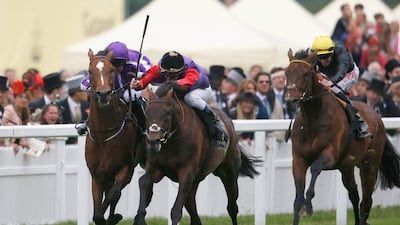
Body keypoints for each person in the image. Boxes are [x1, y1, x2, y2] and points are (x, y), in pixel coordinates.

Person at [131, 50, 227, 147]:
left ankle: (213, 121)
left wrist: (170, 84)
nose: (168, 78)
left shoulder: (191, 70)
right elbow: (151, 75)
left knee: (190, 98)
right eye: (166, 75)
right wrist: (140, 84)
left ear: (182, 70)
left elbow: (187, 81)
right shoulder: (161, 66)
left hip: (201, 89)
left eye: (173, 76)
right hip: (180, 88)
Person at [76, 41, 152, 135]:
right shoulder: (104, 64)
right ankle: (89, 122)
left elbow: (150, 73)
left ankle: (143, 126)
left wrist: (142, 79)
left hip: (132, 84)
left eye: (121, 63)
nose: (119, 66)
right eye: (115, 63)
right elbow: (84, 84)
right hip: (113, 87)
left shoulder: (136, 61)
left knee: (130, 97)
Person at [311, 35, 372, 139]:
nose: (323, 61)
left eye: (326, 57)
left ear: (333, 52)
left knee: (333, 90)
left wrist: (332, 83)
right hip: (329, 75)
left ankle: (360, 122)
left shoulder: (342, 52)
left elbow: (341, 71)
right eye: (320, 58)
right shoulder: (312, 55)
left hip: (348, 73)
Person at [60, 72, 89, 144]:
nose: (87, 93)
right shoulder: (60, 107)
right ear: (77, 93)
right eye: (84, 91)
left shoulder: (88, 105)